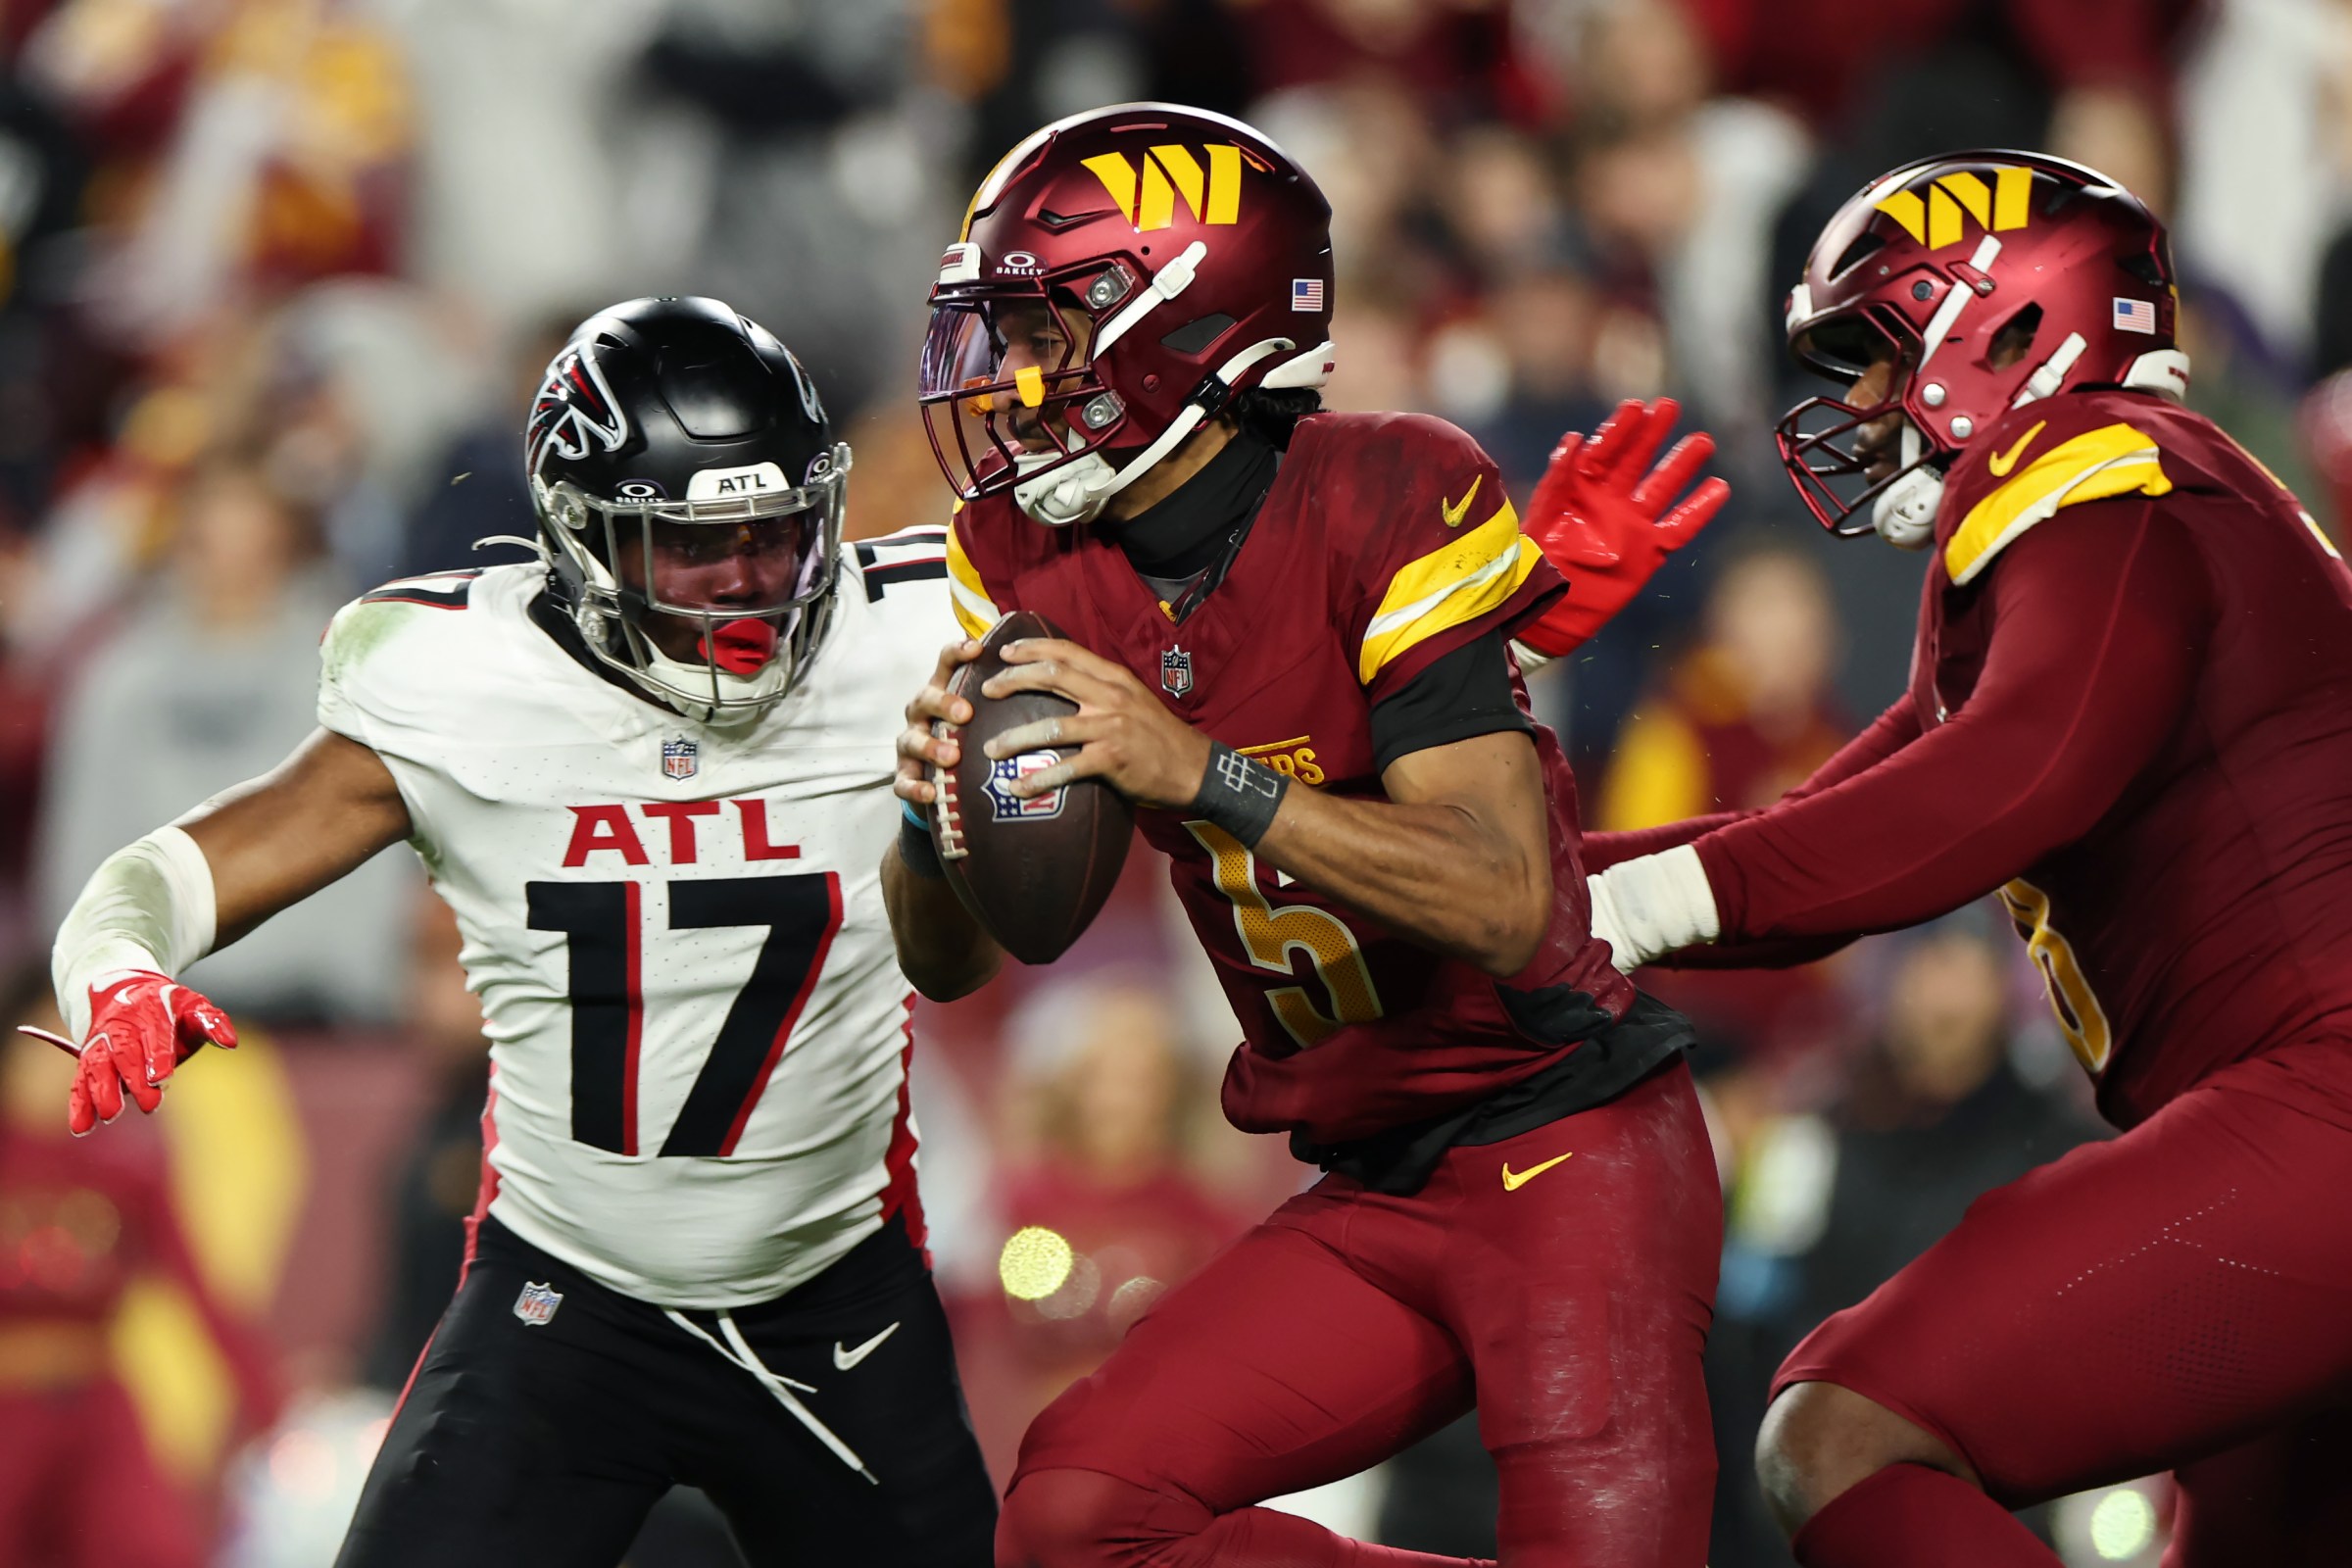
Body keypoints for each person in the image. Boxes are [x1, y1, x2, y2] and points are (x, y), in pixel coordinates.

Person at [886, 103, 1730, 1568]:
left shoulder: (1390, 485)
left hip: (1569, 1142)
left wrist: (1204, 774)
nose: (1013, 379)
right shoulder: (1017, 555)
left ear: (1186, 324)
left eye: (1046, 328)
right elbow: (971, 956)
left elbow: (1502, 901)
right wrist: (932, 817)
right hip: (1371, 1171)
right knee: (1076, 1517)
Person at [43, 296, 996, 1566]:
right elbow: (168, 871)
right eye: (692, 547)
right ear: (582, 538)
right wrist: (114, 970)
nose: (747, 583)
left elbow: (979, 945)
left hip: (838, 1295)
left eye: (772, 535)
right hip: (571, 1298)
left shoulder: (918, 638)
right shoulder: (461, 684)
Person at [1583, 151, 2352, 1566]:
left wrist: (1605, 903)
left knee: (1846, 1427)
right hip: (2294, 1118)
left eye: (1878, 358)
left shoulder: (2102, 479)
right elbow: (1802, 848)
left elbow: (2011, 783)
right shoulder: (2121, 506)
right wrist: (1527, 891)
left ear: (2003, 330)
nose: (1860, 406)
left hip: (2322, 1106)